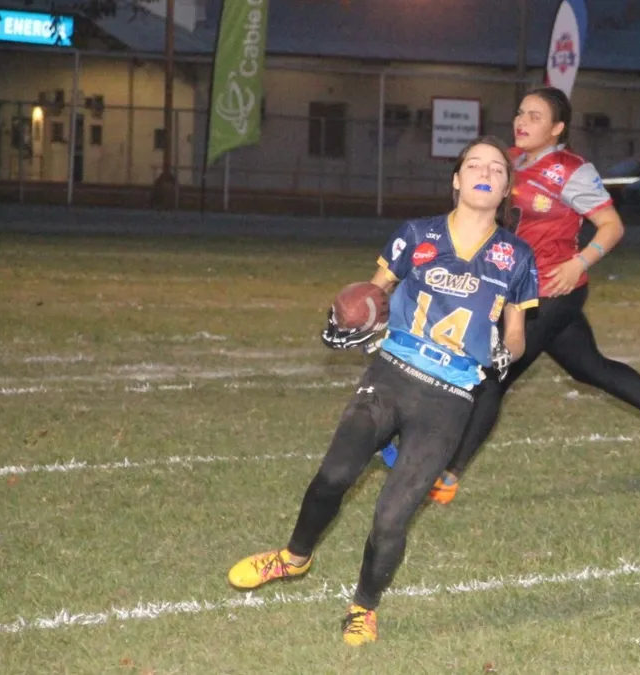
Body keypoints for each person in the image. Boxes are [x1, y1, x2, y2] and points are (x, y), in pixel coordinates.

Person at [225, 136, 538, 646]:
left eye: (496, 169)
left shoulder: (517, 256)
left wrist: (507, 351)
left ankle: (363, 607)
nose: (484, 173)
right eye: (474, 165)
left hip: (449, 397)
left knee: (392, 518)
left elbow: (518, 335)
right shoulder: (417, 233)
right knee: (333, 476)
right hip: (391, 374)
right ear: (456, 179)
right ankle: (293, 557)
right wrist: (352, 322)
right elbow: (375, 294)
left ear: (506, 189)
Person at [428, 86, 640, 505]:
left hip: (551, 289)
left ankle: (447, 476)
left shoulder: (571, 169)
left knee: (494, 376)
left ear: (557, 128)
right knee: (587, 366)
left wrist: (579, 263)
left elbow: (612, 226)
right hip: (515, 288)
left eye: (535, 116)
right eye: (521, 113)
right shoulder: (508, 161)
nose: (522, 122)